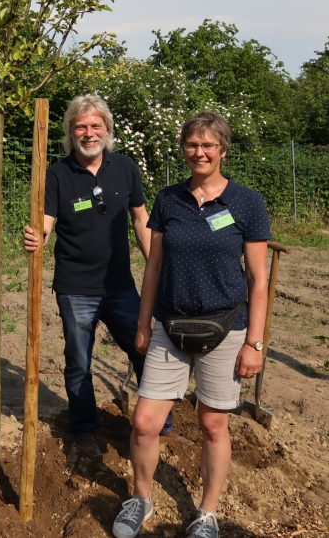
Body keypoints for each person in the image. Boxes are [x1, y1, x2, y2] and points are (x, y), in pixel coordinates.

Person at [112, 111, 270, 538]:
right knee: (145, 422)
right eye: (192, 144)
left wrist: (254, 343)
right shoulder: (169, 200)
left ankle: (207, 513)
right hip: (170, 326)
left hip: (226, 328)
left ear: (223, 150)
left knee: (212, 424)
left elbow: (258, 280)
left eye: (208, 145)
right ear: (184, 148)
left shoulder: (247, 203)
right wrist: (143, 324)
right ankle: (140, 499)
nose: (199, 152)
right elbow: (153, 268)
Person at [22, 93, 169, 460]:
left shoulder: (125, 168)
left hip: (119, 285)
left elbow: (140, 218)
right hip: (76, 287)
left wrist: (157, 267)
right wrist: (36, 236)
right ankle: (85, 430)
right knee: (78, 362)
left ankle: (160, 421)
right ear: (70, 132)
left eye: (95, 125)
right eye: (80, 127)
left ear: (107, 129)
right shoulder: (57, 174)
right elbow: (46, 222)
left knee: (145, 347)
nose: (88, 133)